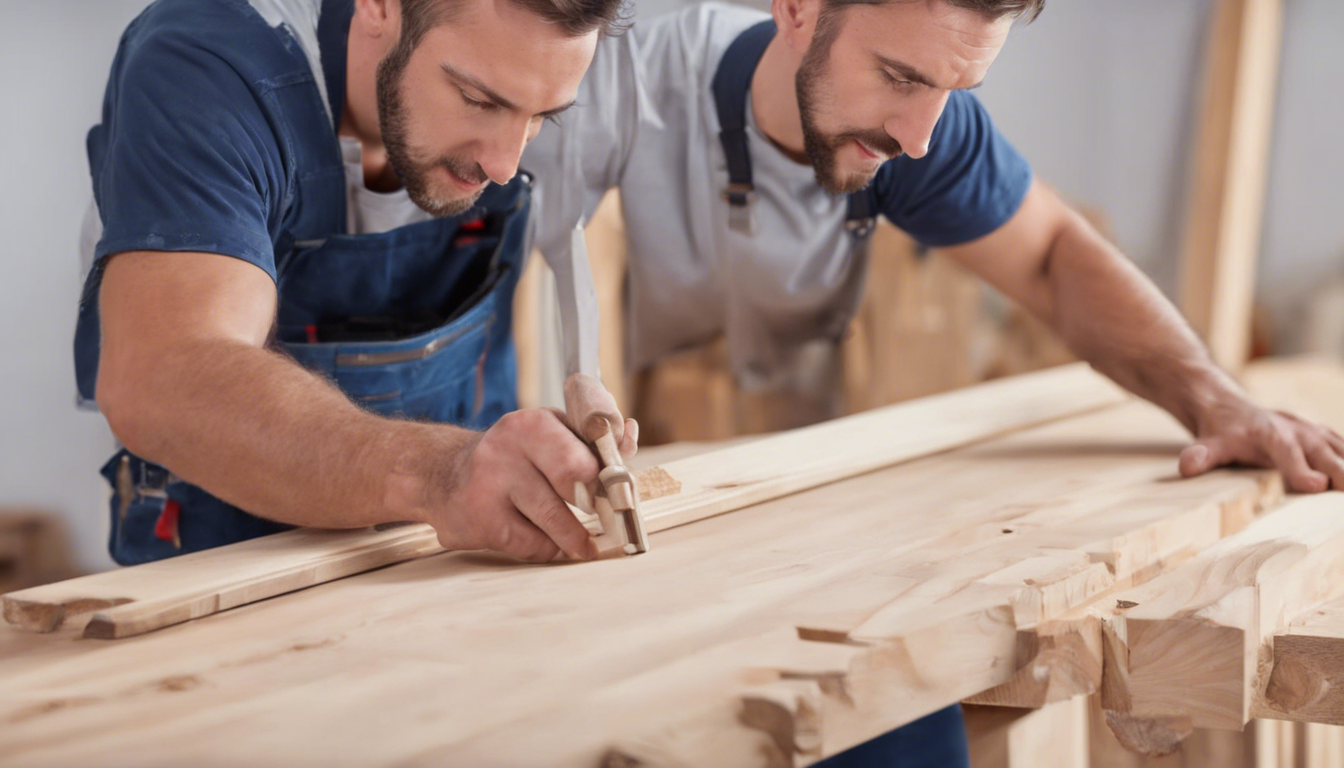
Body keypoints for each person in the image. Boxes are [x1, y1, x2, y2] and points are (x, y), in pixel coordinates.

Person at [521, 0, 1344, 763]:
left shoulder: (905, 130)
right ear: (799, 8)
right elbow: (534, 273)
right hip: (562, 470)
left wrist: (1217, 401)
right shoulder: (616, 81)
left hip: (749, 492)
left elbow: (1055, 260)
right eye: (902, 77)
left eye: (954, 89)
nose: (921, 134)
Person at [76, 0, 635, 567]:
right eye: (478, 101)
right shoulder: (206, 66)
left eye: (544, 118)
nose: (503, 165)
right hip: (230, 574)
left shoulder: (534, 61)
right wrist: (444, 474)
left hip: (465, 563)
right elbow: (164, 377)